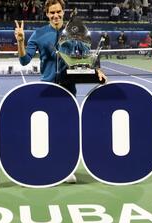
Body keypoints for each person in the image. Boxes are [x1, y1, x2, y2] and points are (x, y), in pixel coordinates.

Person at [14, 0, 106, 183]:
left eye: (58, 12)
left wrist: (97, 69)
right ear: (47, 14)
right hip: (46, 88)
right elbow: (24, 60)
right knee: (46, 130)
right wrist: (21, 42)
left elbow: (87, 56)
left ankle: (66, 168)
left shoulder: (74, 32)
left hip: (68, 88)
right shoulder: (39, 34)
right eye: (51, 13)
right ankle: (45, 166)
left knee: (66, 130)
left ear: (63, 12)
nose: (55, 15)